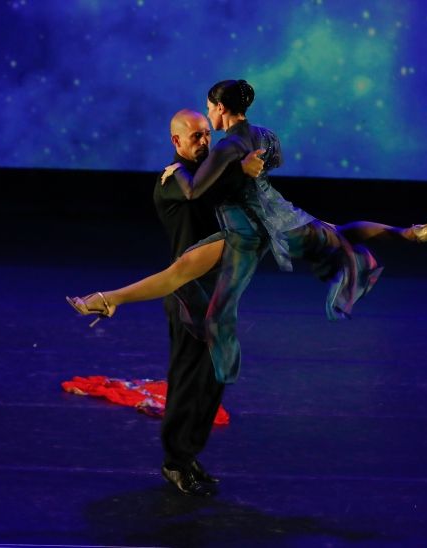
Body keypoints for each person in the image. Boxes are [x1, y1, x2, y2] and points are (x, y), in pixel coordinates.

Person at [68, 78, 427, 386]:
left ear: (219, 109)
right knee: (336, 232)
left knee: (193, 283)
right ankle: (410, 233)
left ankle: (115, 303)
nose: (208, 126)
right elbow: (274, 161)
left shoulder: (224, 149)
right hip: (280, 214)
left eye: (208, 113)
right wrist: (252, 170)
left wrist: (195, 172)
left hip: (246, 230)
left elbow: (195, 190)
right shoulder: (265, 135)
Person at [155, 109, 263, 496]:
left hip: (220, 290)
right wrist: (238, 170)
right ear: (176, 141)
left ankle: (190, 454)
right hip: (187, 292)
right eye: (196, 137)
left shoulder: (209, 177)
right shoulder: (173, 178)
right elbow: (192, 191)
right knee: (187, 378)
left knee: (213, 378)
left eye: (206, 135)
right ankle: (174, 461)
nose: (204, 142)